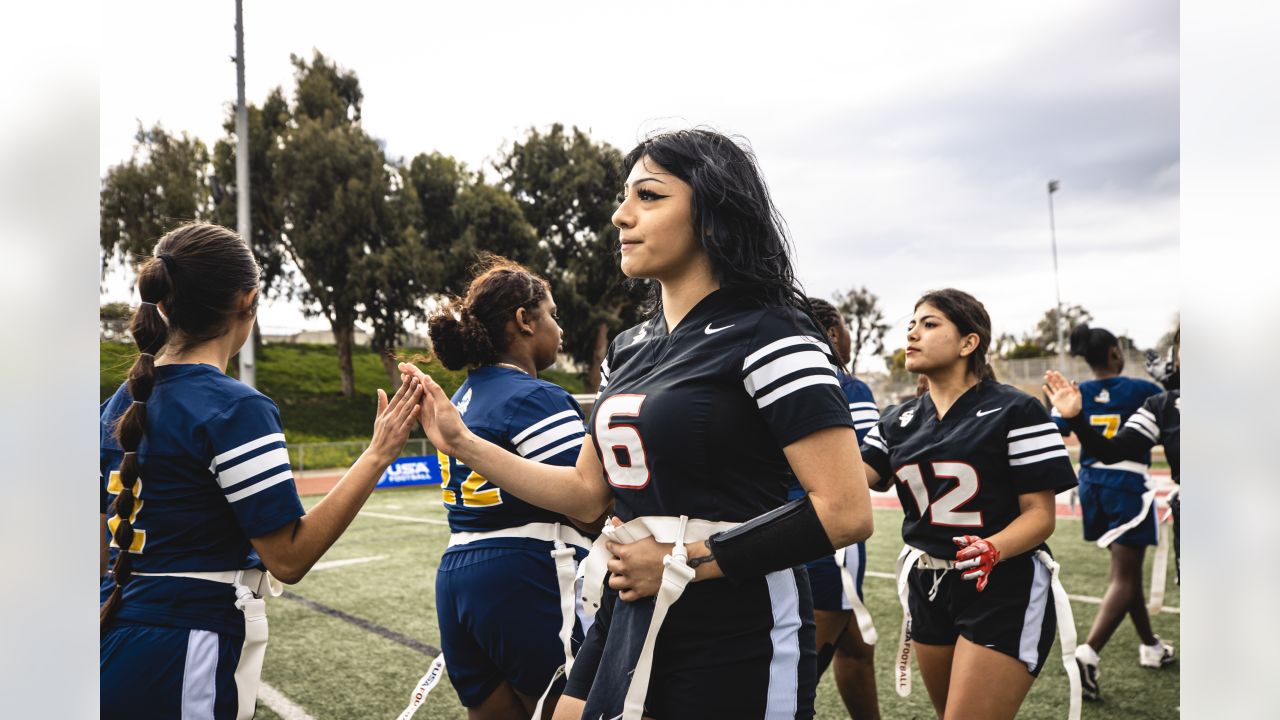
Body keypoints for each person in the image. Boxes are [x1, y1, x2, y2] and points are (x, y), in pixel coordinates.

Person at [403, 128, 873, 720]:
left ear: (713, 211)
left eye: (648, 196)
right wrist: (463, 444)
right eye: (624, 197)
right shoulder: (629, 350)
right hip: (626, 608)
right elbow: (585, 495)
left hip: (737, 626)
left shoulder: (774, 332)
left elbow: (845, 511)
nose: (620, 215)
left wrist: (685, 559)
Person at [100, 222, 423, 720]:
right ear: (247, 302)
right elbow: (288, 559)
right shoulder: (234, 408)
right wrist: (378, 453)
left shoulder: (116, 405)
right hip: (184, 647)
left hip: (109, 636)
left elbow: (98, 552)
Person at [857, 289, 1081, 720]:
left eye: (929, 323)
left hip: (1001, 584)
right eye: (911, 324)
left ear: (968, 342)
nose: (912, 333)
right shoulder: (896, 421)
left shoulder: (1016, 410)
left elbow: (1040, 515)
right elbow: (848, 482)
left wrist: (993, 547)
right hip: (929, 583)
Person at [425, 256, 601, 720]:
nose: (559, 329)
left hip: (457, 576)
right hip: (527, 572)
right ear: (524, 320)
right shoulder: (535, 396)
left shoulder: (462, 398)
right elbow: (587, 508)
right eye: (553, 314)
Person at [1049, 323, 1170, 701]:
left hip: (1090, 485)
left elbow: (1055, 431)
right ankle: (1089, 652)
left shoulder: (1078, 391)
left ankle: (1150, 645)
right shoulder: (1144, 390)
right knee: (1125, 573)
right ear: (1116, 352)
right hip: (1127, 484)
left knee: (1126, 571)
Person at [799, 297, 881, 720]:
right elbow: (866, 464)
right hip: (826, 542)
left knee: (856, 647)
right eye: (846, 327)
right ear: (831, 333)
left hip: (787, 531)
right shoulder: (845, 384)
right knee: (794, 685)